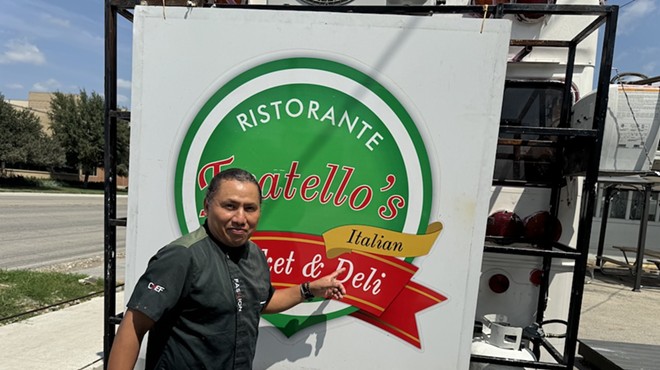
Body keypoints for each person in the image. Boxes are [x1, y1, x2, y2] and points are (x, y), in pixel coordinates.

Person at [108, 168, 346, 370]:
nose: (240, 218)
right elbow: (134, 324)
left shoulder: (255, 255)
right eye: (230, 206)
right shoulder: (182, 256)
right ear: (207, 206)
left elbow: (260, 302)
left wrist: (309, 289)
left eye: (250, 208)